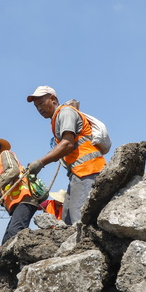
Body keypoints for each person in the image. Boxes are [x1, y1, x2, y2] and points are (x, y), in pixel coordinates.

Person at [25, 86, 106, 225]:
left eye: (41, 103)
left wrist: (40, 162)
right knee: (67, 221)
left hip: (88, 170)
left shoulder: (65, 112)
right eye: (36, 106)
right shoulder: (58, 118)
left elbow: (67, 144)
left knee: (79, 220)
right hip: (78, 173)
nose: (39, 108)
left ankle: (87, 246)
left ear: (53, 99)